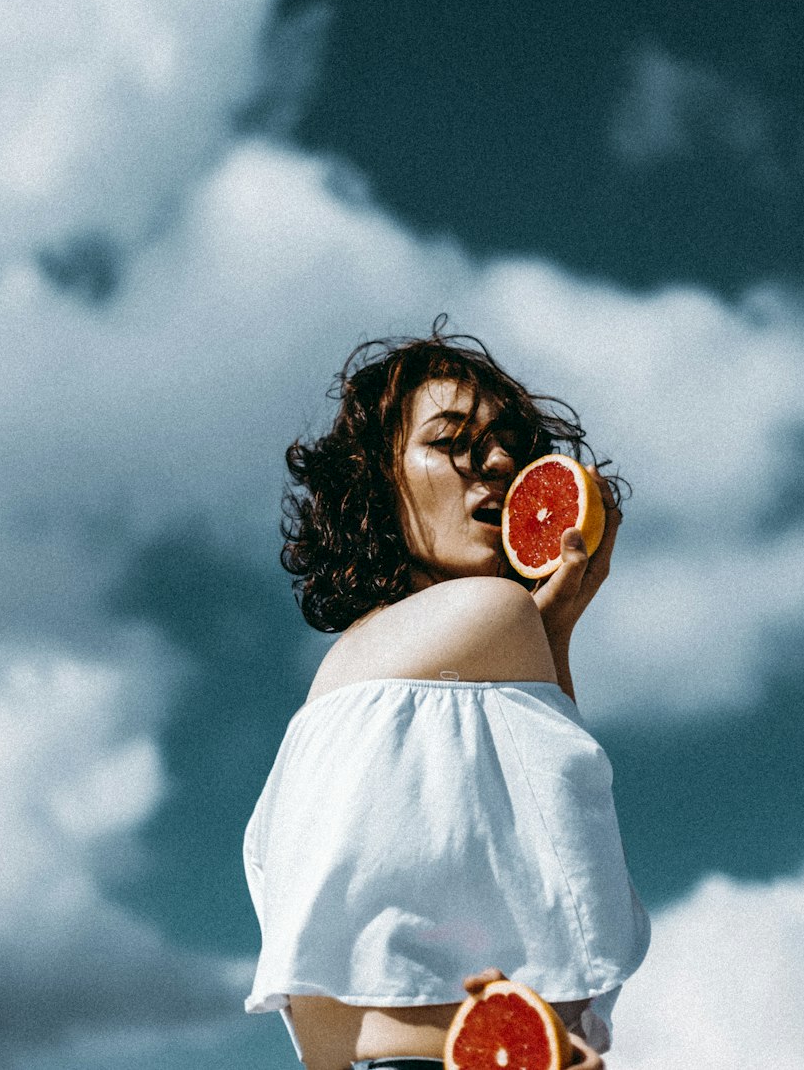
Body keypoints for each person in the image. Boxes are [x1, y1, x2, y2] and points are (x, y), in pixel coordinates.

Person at [243, 327, 650, 1070]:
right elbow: (586, 898)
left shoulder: (349, 700)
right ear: (376, 482)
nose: (496, 462)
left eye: (509, 446)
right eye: (452, 441)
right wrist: (550, 634)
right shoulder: (496, 615)